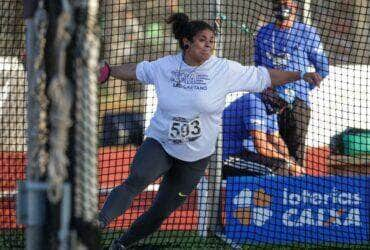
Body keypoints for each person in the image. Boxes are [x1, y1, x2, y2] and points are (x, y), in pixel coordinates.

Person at [97, 13, 322, 250]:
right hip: (161, 143)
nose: (208, 45)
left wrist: (301, 75)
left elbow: (266, 76)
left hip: (195, 157)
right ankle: (97, 225)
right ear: (187, 42)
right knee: (136, 180)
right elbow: (135, 70)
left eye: (212, 41)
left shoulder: (223, 69)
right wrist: (109, 70)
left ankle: (120, 246)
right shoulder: (165, 66)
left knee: (161, 211)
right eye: (203, 40)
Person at [254, 0, 329, 166]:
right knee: (272, 155)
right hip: (268, 103)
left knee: (295, 155)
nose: (282, 7)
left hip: (297, 104)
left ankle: (294, 188)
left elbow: (322, 68)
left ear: (295, 5)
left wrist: (301, 91)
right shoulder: (264, 33)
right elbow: (258, 68)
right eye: (278, 3)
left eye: (287, 3)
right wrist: (266, 89)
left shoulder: (306, 32)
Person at [222, 88, 305, 177]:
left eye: (284, 104)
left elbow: (276, 139)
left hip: (248, 154)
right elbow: (261, 146)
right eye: (279, 100)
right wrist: (287, 163)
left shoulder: (271, 109)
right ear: (269, 91)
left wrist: (289, 160)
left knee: (287, 167)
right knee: (279, 168)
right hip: (229, 157)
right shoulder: (254, 102)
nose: (281, 106)